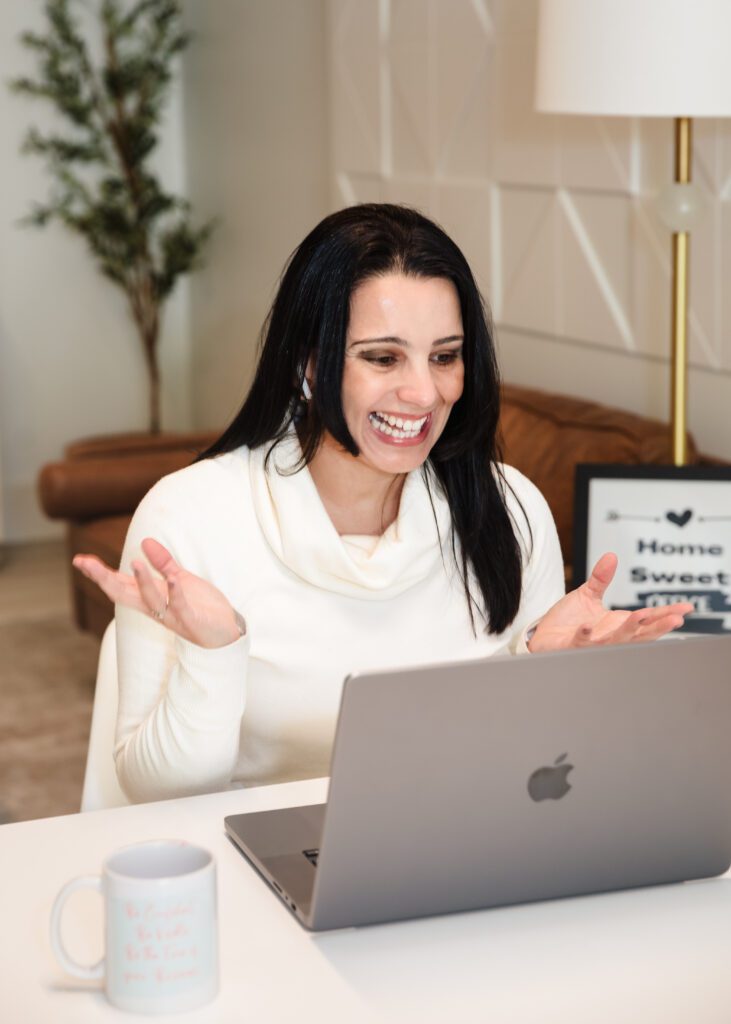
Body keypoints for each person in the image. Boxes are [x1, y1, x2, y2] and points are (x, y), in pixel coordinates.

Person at [74, 204, 692, 803]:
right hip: (252, 869)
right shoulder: (191, 519)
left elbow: (534, 774)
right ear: (307, 364)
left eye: (445, 357)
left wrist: (545, 672)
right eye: (382, 357)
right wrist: (214, 654)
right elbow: (156, 793)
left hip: (466, 851)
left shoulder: (510, 509)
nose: (424, 392)